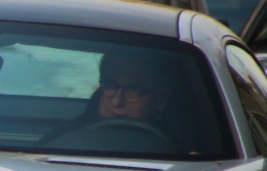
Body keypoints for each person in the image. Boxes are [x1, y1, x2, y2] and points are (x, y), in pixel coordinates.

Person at [40, 52, 176, 148]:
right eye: (110, 85)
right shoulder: (65, 134)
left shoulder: (181, 148)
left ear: (161, 100)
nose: (117, 101)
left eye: (133, 90)